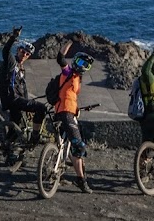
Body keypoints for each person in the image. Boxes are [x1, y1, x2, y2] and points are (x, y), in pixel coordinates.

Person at [54, 40, 95, 193]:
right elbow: (60, 58)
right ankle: (81, 180)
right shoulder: (68, 72)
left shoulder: (77, 78)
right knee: (79, 146)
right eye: (79, 61)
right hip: (64, 113)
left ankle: (64, 173)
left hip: (66, 112)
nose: (82, 65)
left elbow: (70, 97)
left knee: (67, 145)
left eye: (85, 64)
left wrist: (76, 110)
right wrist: (68, 44)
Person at [0, 26, 48, 133]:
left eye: (27, 54)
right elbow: (6, 51)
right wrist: (14, 37)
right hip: (12, 98)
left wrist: (27, 103)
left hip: (16, 100)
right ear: (18, 50)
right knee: (41, 108)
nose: (24, 54)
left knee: (16, 127)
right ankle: (35, 136)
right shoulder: (11, 62)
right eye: (23, 51)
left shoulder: (21, 68)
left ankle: (7, 147)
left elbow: (23, 89)